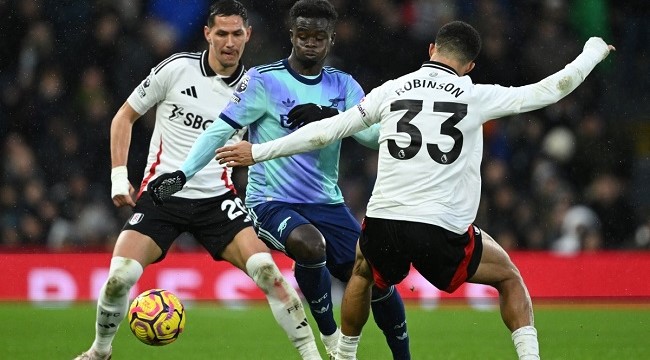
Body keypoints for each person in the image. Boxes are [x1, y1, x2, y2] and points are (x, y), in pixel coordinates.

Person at [214, 21, 615, 360]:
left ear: (431, 49)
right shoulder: (476, 94)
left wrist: (259, 151)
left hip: (386, 220)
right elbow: (552, 89)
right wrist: (593, 51)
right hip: (441, 226)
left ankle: (343, 355)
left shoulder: (392, 89)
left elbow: (326, 131)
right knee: (509, 277)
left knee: (363, 271)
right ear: (470, 65)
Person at [147, 1, 411, 359]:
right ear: (292, 35)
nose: (310, 43)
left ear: (330, 40)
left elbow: (369, 136)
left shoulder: (343, 85)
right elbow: (218, 131)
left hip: (326, 202)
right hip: (271, 202)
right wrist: (183, 173)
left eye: (319, 37)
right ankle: (331, 339)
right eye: (303, 35)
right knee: (311, 245)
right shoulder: (264, 80)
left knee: (375, 277)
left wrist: (333, 116)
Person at [74, 2, 321, 359]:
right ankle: (99, 352)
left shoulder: (258, 88)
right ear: (207, 34)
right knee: (118, 279)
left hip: (216, 199)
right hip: (162, 196)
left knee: (270, 274)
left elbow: (278, 144)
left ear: (248, 36)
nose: (229, 42)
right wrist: (118, 177)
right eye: (221, 33)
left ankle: (313, 357)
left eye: (237, 34)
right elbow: (124, 117)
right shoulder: (176, 69)